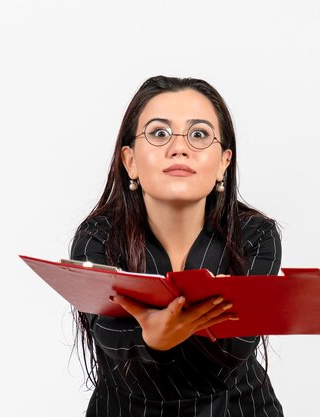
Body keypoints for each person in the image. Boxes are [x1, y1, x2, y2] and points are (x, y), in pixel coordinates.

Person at [69, 75, 284, 417]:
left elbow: (235, 351)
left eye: (199, 134)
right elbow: (109, 337)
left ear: (224, 163)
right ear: (130, 161)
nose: (179, 147)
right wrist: (150, 340)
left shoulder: (255, 236)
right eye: (159, 133)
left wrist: (152, 339)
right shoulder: (97, 237)